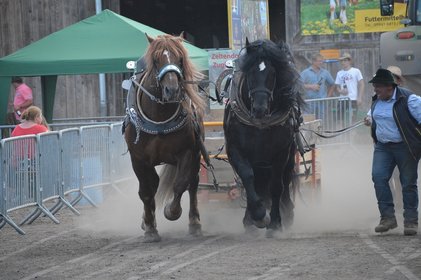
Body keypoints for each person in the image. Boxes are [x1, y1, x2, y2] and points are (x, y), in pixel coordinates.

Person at [365, 68, 421, 236]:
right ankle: (387, 218)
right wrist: (369, 119)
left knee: (408, 183)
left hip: (405, 146)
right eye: (374, 86)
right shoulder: (377, 99)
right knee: (379, 177)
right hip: (383, 147)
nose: (375, 90)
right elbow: (371, 115)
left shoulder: (410, 99)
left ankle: (411, 221)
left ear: (390, 87)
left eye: (378, 87)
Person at [300, 53, 335, 121]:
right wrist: (311, 86)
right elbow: (299, 85)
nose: (321, 62)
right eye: (319, 61)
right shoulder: (305, 72)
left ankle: (321, 132)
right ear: (313, 61)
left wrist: (328, 97)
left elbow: (332, 84)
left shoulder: (325, 72)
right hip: (309, 102)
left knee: (321, 121)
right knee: (308, 121)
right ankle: (309, 132)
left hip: (321, 102)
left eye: (322, 61)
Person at [334, 52, 364, 123]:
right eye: (342, 61)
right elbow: (337, 86)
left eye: (345, 60)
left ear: (349, 61)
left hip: (353, 99)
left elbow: (362, 84)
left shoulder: (356, 71)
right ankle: (341, 133)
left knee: (353, 118)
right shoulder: (339, 73)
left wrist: (359, 97)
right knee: (339, 119)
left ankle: (353, 134)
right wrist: (340, 91)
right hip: (342, 99)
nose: (343, 62)